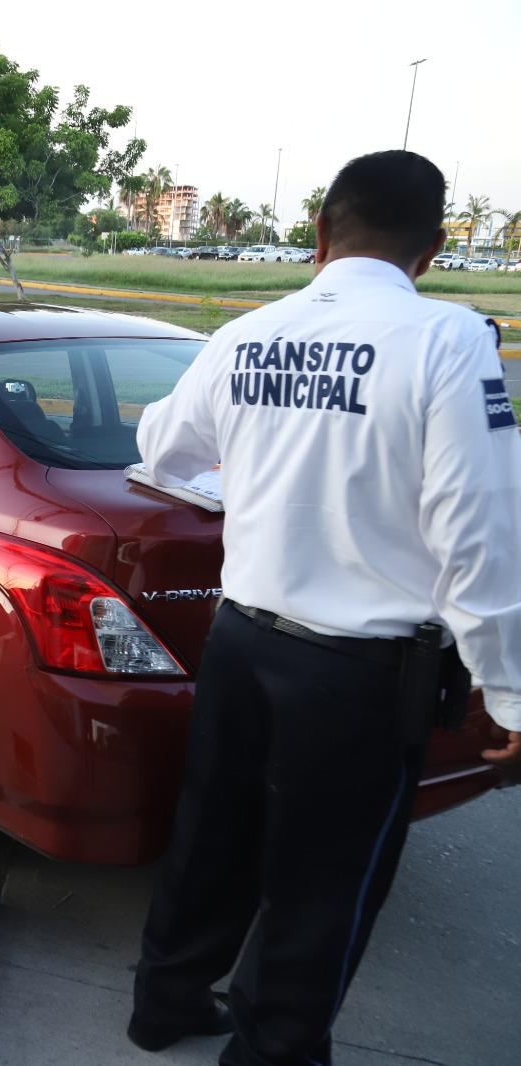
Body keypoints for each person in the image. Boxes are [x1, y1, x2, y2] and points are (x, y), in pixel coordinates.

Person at [127, 149, 521, 1065]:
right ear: (428, 250)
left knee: (211, 836)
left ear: (318, 237)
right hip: (359, 673)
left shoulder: (247, 333)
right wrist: (510, 696)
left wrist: (264, 480)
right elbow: (479, 531)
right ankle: (274, 1052)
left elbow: (161, 451)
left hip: (241, 643)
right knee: (324, 881)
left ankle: (166, 1003)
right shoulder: (449, 340)